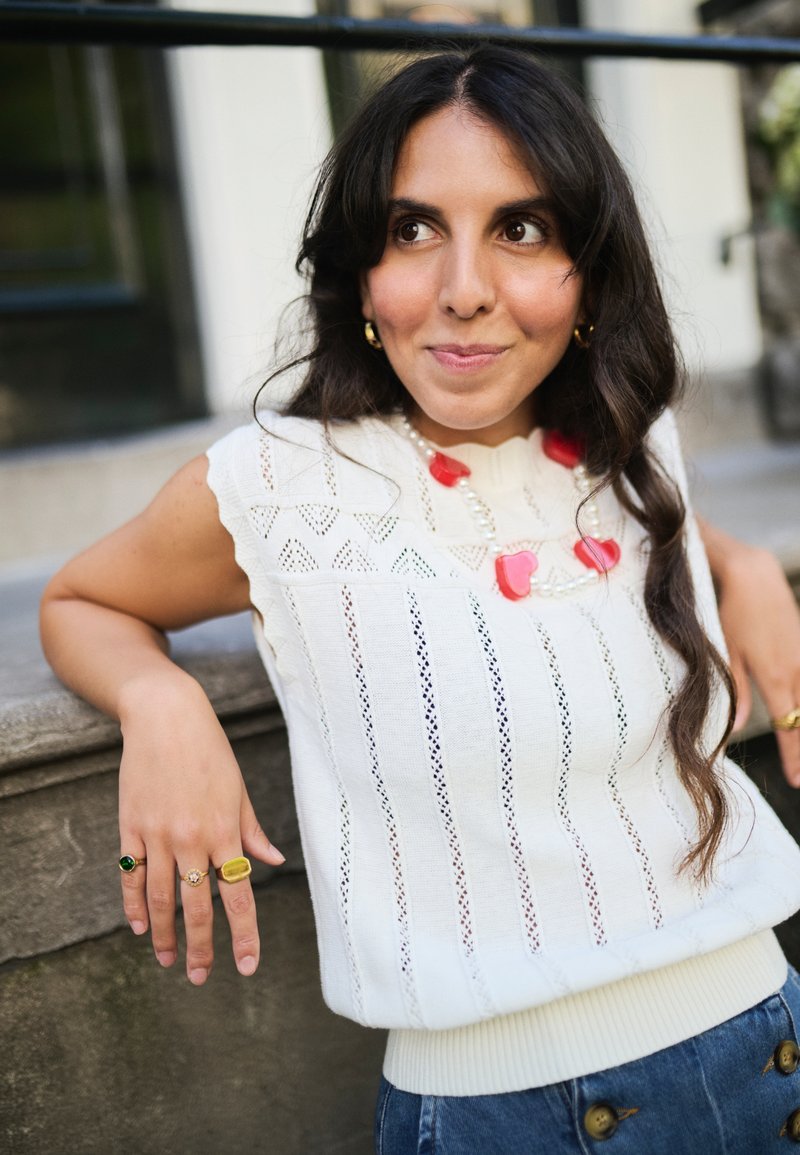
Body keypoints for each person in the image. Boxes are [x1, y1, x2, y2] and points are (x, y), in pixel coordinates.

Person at [40, 45, 800, 1154]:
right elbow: (81, 598)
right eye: (412, 230)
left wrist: (743, 572)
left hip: (769, 1047)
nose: (464, 288)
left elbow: (606, 545)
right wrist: (160, 702)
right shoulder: (284, 488)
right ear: (359, 271)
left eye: (521, 228)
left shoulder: (631, 447)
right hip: (510, 1116)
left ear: (589, 271)